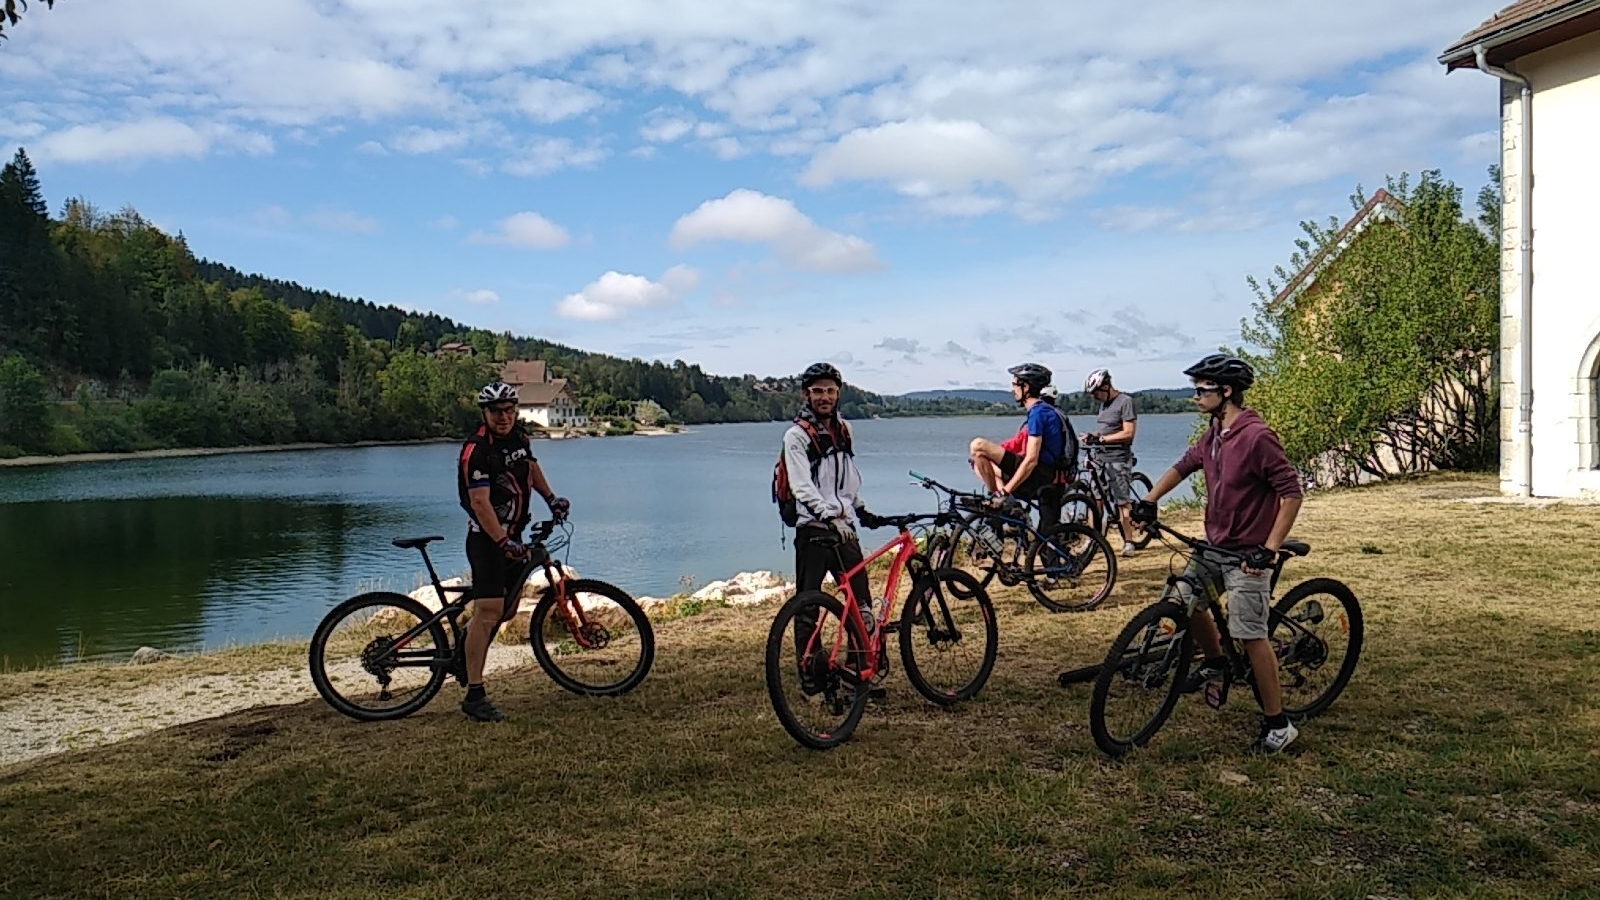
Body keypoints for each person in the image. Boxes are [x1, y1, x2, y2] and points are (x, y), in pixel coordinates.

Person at [1132, 354, 1305, 754]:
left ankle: (1279, 725)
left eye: (1201, 389)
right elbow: (1183, 465)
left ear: (1226, 392)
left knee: (1249, 634)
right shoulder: (1214, 432)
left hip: (1249, 553)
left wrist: (1269, 549)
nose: (1195, 396)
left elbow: (1291, 493)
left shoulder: (1257, 436)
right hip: (1215, 545)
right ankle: (1215, 662)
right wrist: (1150, 500)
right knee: (1184, 600)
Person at [456, 381, 570, 722]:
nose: (504, 417)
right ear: (485, 414)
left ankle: (465, 646)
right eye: (496, 411)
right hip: (487, 541)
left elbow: (531, 470)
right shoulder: (477, 451)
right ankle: (474, 696)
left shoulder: (519, 438)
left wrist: (552, 499)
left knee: (505, 611)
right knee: (489, 611)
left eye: (509, 410)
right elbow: (479, 502)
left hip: (514, 537)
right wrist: (502, 543)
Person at [782, 363, 885, 695]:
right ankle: (809, 672)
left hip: (844, 527)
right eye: (817, 391)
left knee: (860, 601)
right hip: (813, 528)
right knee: (809, 604)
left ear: (838, 393)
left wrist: (859, 508)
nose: (824, 397)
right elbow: (801, 486)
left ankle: (859, 669)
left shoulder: (845, 430)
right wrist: (826, 516)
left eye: (829, 390)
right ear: (806, 395)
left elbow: (846, 479)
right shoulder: (796, 435)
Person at [968, 363, 1070, 508]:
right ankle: (1004, 506)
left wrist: (1005, 492)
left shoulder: (1039, 413)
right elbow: (1018, 444)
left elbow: (1031, 460)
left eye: (1015, 385)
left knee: (978, 445)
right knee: (980, 461)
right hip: (1044, 471)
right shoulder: (1041, 411)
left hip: (1041, 474)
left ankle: (997, 499)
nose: (1012, 390)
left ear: (1026, 387)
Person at [1082, 368, 1141, 556]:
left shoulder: (1125, 402)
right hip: (1100, 458)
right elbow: (1105, 430)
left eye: (1096, 393)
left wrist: (1103, 440)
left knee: (1122, 502)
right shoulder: (1104, 405)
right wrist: (1093, 436)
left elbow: (1128, 432)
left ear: (1106, 386)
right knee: (1095, 500)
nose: (1094, 397)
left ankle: (1129, 542)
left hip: (1118, 459)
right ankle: (1092, 540)